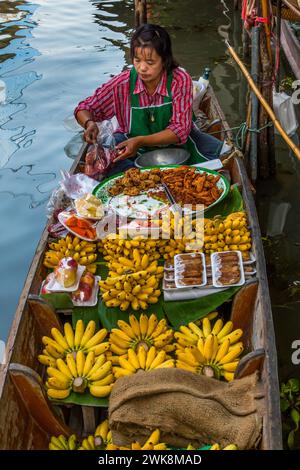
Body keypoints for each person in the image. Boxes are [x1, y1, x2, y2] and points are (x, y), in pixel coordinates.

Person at [75, 24, 226, 176]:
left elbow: (180, 130)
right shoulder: (122, 83)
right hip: (131, 147)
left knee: (220, 159)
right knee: (106, 165)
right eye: (137, 60)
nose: (142, 68)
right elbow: (84, 107)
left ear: (165, 60)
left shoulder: (180, 80)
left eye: (150, 62)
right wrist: (89, 123)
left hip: (180, 147)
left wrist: (140, 140)